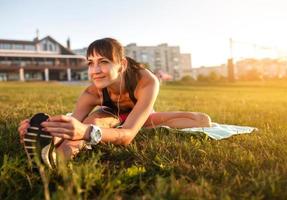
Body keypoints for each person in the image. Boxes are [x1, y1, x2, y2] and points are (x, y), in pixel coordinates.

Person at [18, 38, 211, 163]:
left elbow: (127, 136)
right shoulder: (91, 93)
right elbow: (75, 122)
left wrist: (86, 131)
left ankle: (53, 156)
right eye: (90, 63)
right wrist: (48, 130)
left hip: (139, 118)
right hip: (109, 115)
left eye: (103, 62)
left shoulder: (146, 81)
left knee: (203, 120)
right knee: (91, 122)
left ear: (122, 64)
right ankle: (49, 157)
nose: (95, 70)